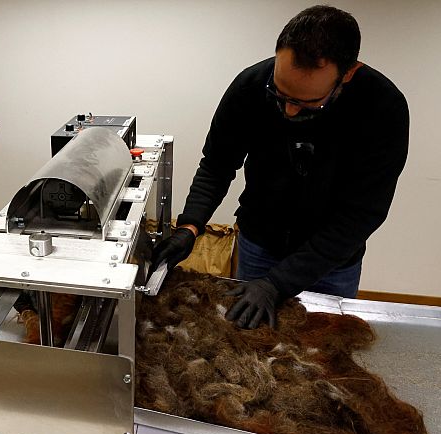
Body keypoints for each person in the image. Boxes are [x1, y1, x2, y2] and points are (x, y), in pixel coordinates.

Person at [151, 5, 408, 330]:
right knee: (250, 347)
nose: (288, 110)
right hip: (259, 245)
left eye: (306, 103)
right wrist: (189, 227)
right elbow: (217, 164)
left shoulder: (384, 108)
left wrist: (278, 283)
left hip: (332, 264)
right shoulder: (251, 85)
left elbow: (361, 215)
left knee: (324, 351)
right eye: (279, 93)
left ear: (347, 73)